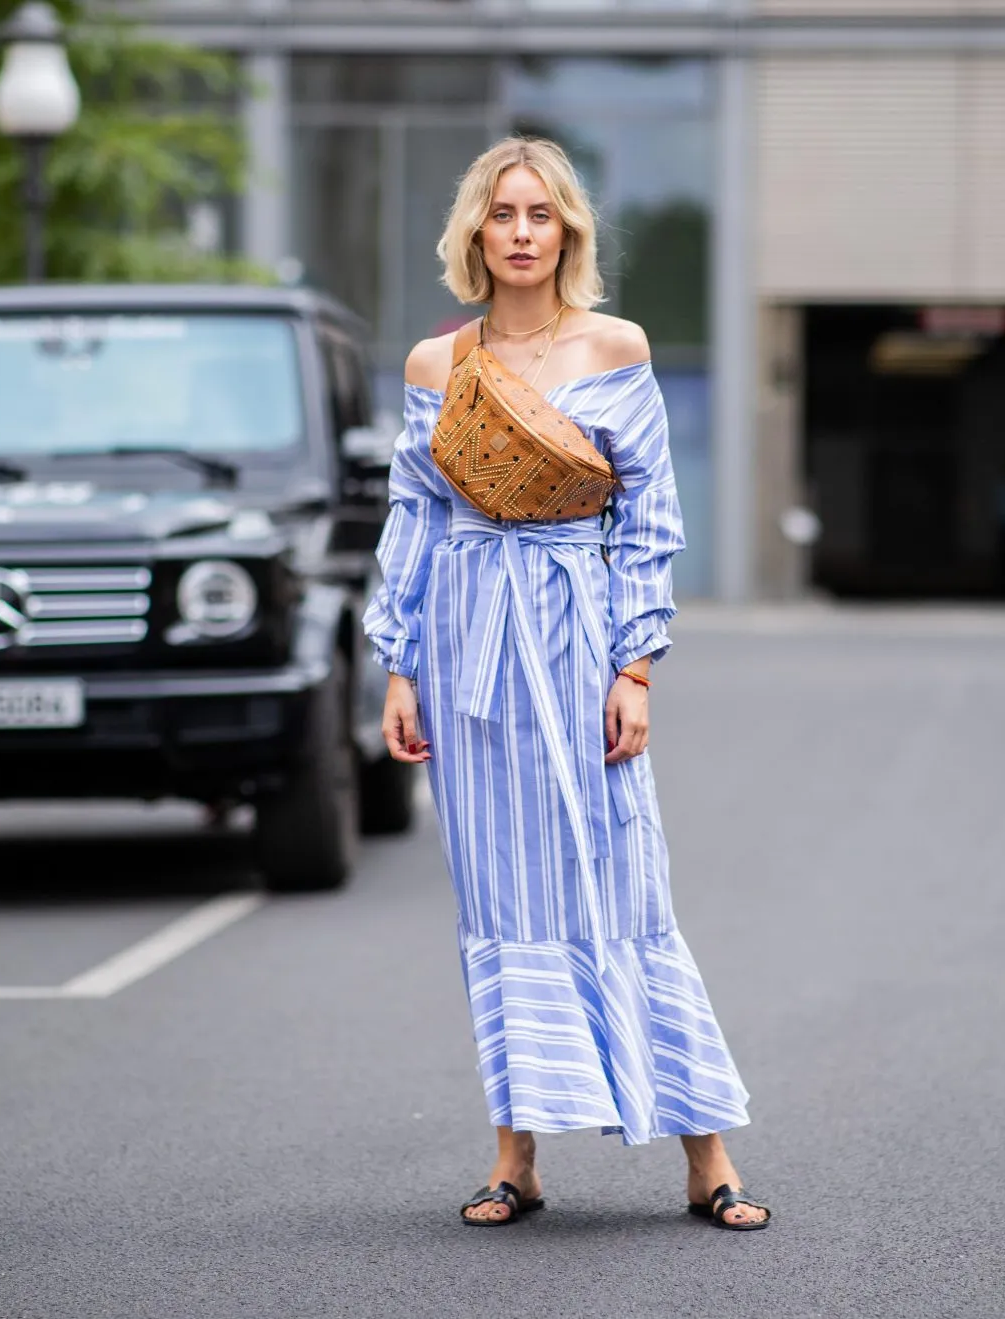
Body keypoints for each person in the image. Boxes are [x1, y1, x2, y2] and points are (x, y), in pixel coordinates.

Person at [363, 137, 771, 1231]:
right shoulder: (436, 364)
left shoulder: (613, 346)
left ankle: (707, 1156)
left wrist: (634, 665)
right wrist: (399, 664)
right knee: (498, 898)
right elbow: (415, 520)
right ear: (475, 231)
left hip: (575, 634)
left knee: (623, 881)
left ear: (568, 232)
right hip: (465, 648)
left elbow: (648, 514)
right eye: (502, 213)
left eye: (540, 213)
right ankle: (516, 1158)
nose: (521, 232)